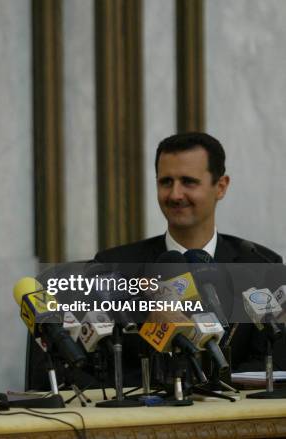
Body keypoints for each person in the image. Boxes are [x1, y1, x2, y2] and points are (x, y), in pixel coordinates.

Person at [94, 132, 283, 374]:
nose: (175, 195)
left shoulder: (260, 265)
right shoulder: (113, 268)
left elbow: (274, 364)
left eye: (188, 182)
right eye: (165, 182)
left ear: (221, 186)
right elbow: (101, 369)